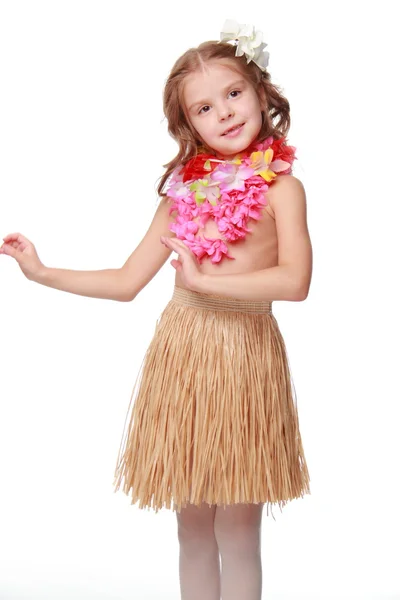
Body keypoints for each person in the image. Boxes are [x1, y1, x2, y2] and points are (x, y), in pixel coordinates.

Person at [0, 19, 313, 600]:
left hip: (244, 355)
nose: (222, 112)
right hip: (183, 354)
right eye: (202, 108)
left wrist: (202, 281)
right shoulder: (183, 193)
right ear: (187, 125)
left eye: (233, 93)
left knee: (239, 527)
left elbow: (295, 281)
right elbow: (126, 281)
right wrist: (41, 272)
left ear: (261, 92)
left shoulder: (281, 189)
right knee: (192, 525)